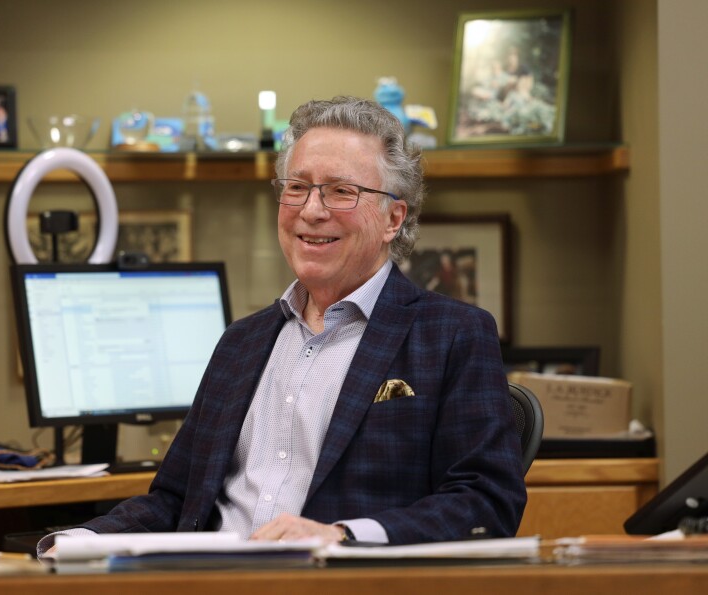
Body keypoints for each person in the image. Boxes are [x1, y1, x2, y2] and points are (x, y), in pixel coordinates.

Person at [38, 96, 526, 557]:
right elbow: (173, 500)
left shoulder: (452, 334)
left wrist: (342, 536)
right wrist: (79, 540)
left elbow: (487, 504)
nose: (311, 210)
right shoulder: (241, 342)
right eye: (297, 187)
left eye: (341, 191)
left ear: (392, 218)